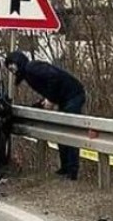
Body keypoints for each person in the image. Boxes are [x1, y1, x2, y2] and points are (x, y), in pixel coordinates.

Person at [5, 51, 86, 180]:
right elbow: (49, 84)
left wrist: (51, 99)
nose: (12, 70)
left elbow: (54, 77)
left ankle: (72, 172)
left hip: (74, 95)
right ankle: (65, 168)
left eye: (11, 66)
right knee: (62, 133)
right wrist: (44, 101)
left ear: (17, 62)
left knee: (69, 132)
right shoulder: (28, 73)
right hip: (65, 98)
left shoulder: (32, 68)